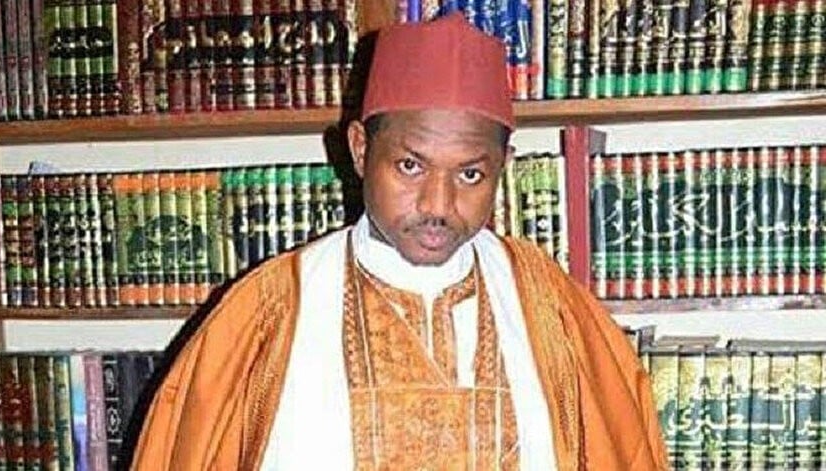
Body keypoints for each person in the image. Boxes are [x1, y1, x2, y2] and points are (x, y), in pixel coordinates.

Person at [129, 12, 668, 470]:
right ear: (361, 151)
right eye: (410, 166)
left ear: (503, 167)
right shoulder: (268, 311)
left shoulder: (551, 308)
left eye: (471, 174)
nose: (438, 204)